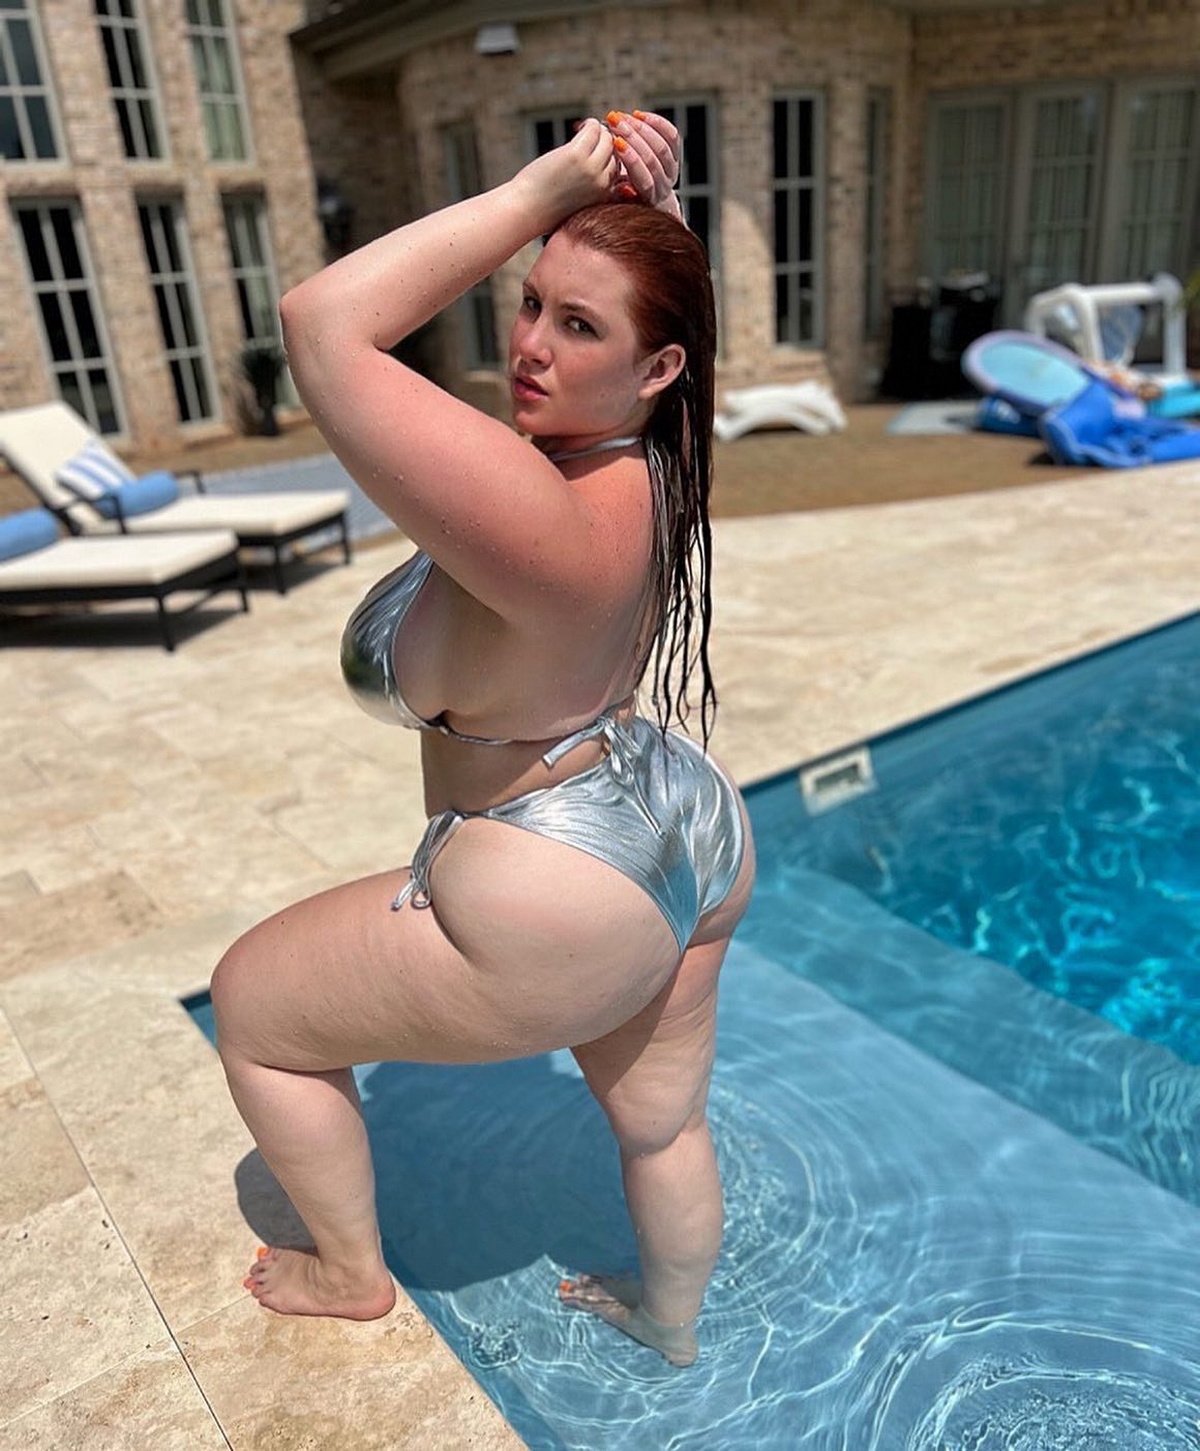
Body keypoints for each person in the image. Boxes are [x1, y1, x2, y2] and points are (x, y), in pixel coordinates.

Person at [210, 109, 756, 1368]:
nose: (532, 347)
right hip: (682, 819)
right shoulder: (656, 455)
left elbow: (321, 325)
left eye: (580, 327)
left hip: (555, 876)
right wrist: (650, 200)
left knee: (252, 1005)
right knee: (662, 1124)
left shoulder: (530, 507)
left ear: (656, 366)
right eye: (530, 303)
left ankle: (350, 1273)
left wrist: (537, 191)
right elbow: (665, 321)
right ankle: (671, 1322)